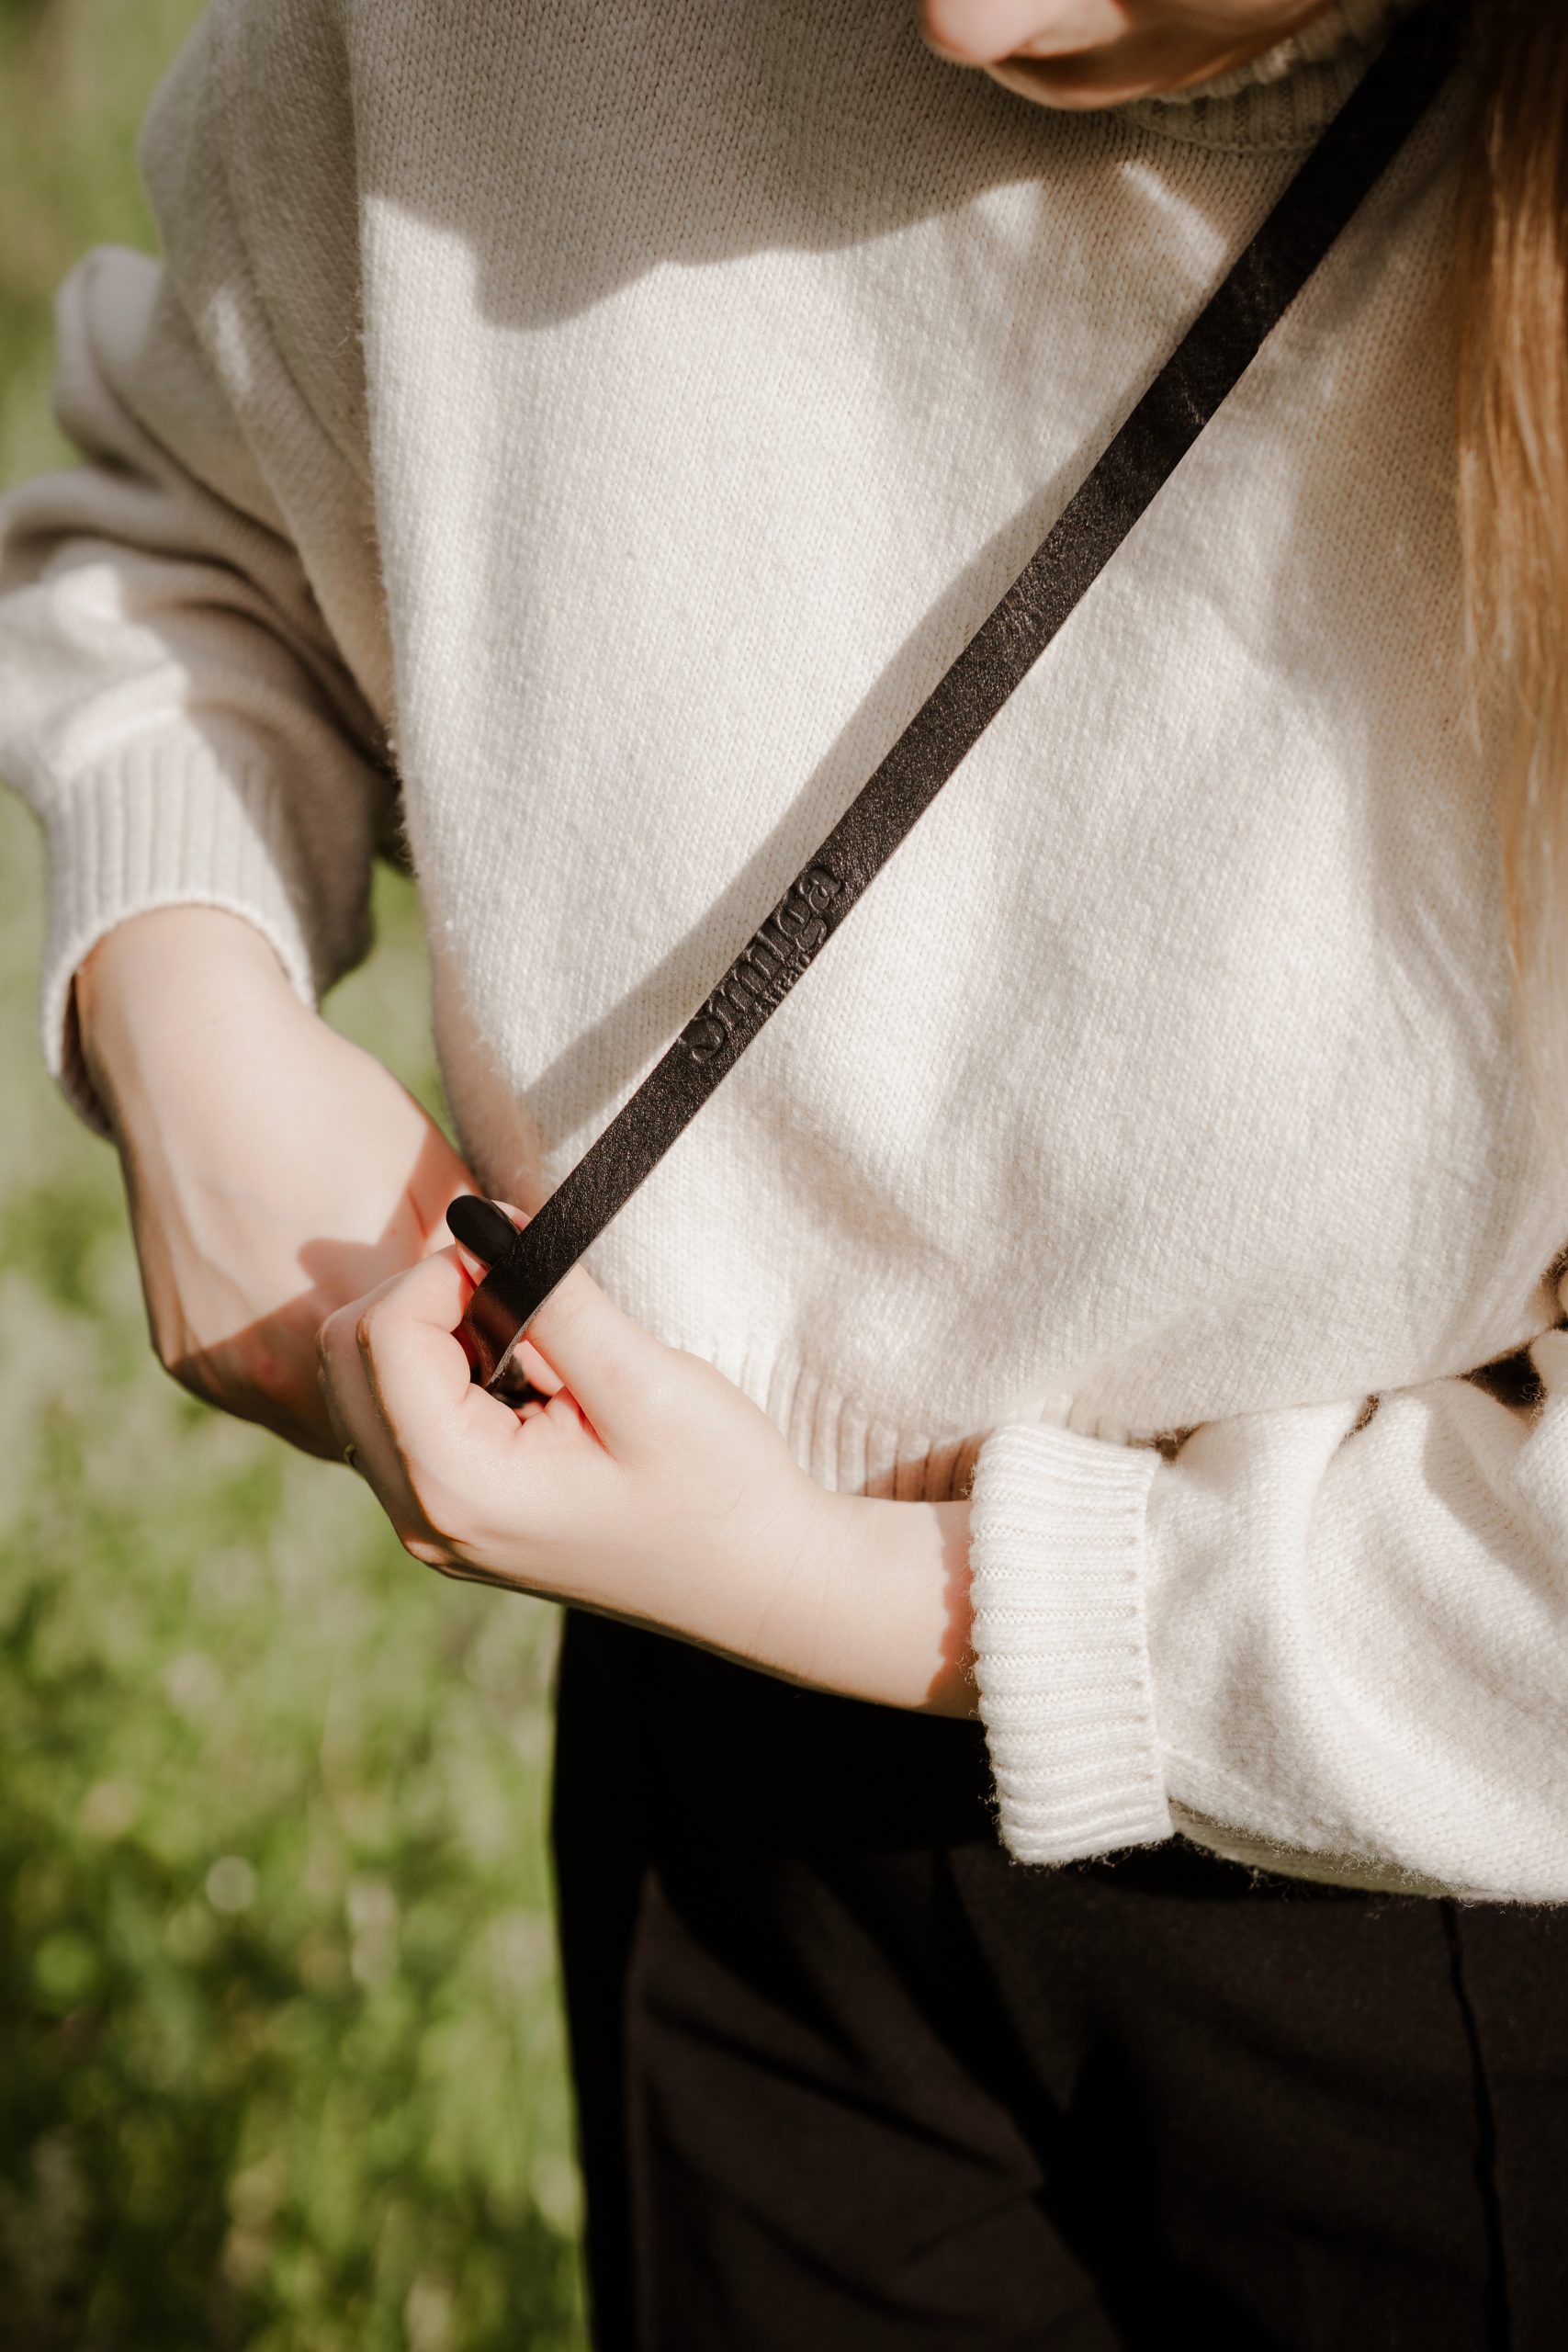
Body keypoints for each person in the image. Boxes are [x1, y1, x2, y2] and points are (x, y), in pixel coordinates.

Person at [2, 0, 1564, 2338]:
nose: (967, 20)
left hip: (1433, 1828)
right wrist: (185, 1002)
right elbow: (189, 512)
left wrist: (849, 1578)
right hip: (715, 1787)